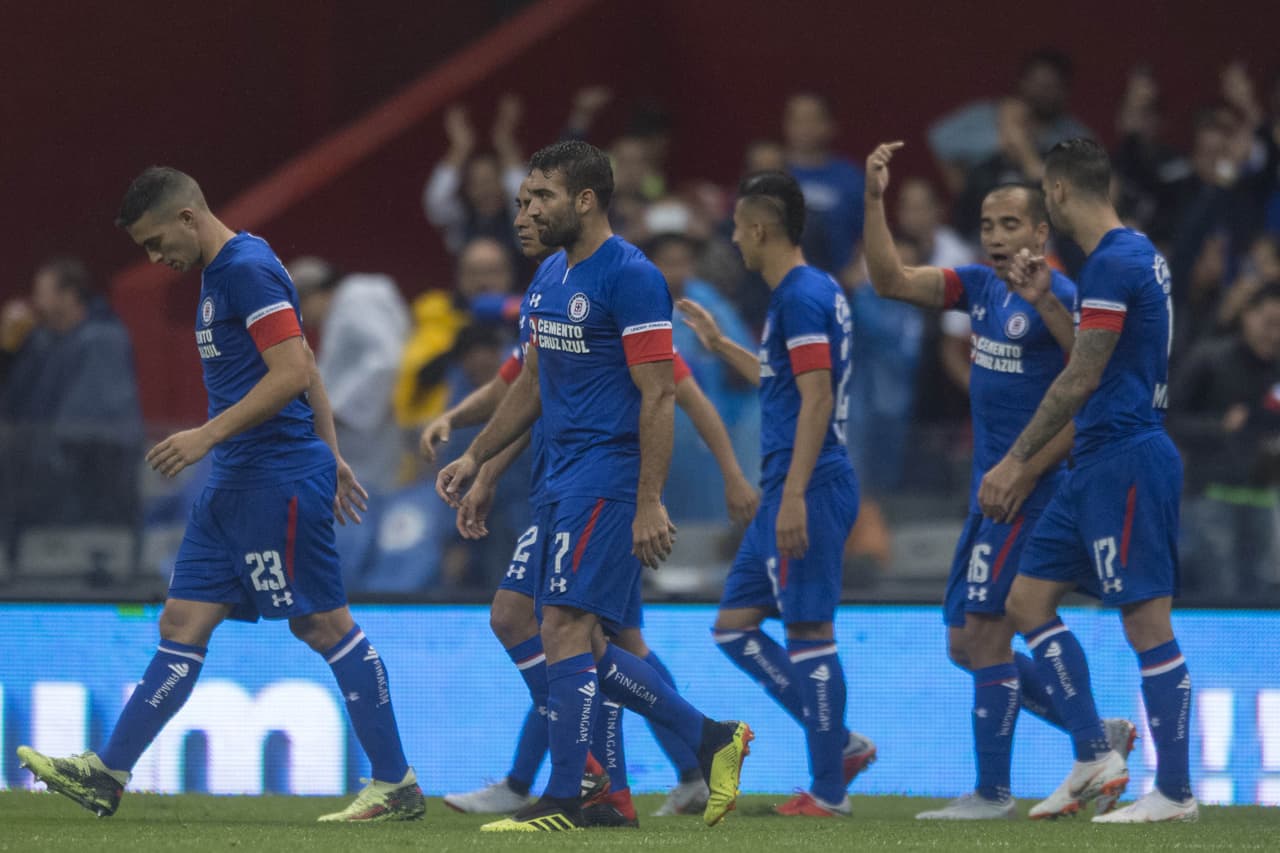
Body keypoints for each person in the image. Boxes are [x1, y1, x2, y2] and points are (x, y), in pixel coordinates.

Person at [16, 167, 422, 822]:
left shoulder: (246, 269)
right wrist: (334, 454)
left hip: (274, 477)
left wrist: (211, 436)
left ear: (187, 217)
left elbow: (292, 371)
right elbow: (307, 366)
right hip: (233, 483)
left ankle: (394, 780)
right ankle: (108, 774)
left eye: (155, 242)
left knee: (322, 623)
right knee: (181, 622)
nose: (156, 258)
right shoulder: (220, 273)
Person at [436, 141, 752, 831]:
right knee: (535, 623)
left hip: (607, 477)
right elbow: (532, 384)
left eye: (541, 197)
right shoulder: (549, 276)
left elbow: (661, 394)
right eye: (523, 198)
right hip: (555, 478)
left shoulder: (632, 277)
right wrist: (479, 458)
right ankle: (707, 739)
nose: (526, 211)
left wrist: (648, 500)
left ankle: (569, 796)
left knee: (565, 628)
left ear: (584, 200)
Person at [862, 142, 1136, 819]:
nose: (996, 235)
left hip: (1032, 492)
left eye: (1011, 223)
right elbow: (890, 280)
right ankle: (1095, 733)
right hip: (988, 494)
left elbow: (1090, 398)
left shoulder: (1061, 296)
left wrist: (1024, 468)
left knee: (988, 632)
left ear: (1041, 230)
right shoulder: (979, 287)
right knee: (964, 643)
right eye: (987, 224)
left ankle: (994, 793)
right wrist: (874, 200)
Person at [980, 139, 1198, 823]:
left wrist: (1016, 459)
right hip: (1095, 461)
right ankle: (1093, 752)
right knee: (1026, 600)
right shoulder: (1133, 255)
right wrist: (1047, 301)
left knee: (1145, 621)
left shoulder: (1111, 262)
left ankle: (1175, 792)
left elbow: (1081, 375)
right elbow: (1096, 355)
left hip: (1126, 455)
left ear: (1059, 191)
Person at [679, 171, 873, 818]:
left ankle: (829, 791)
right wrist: (719, 346)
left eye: (738, 228)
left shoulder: (800, 298)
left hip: (806, 484)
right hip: (787, 484)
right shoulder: (810, 291)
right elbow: (782, 380)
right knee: (734, 628)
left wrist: (792, 496)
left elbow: (816, 397)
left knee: (809, 631)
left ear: (760, 229)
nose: (734, 239)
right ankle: (838, 743)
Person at [0, 258, 143, 565]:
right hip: (33, 483)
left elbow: (85, 432)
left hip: (82, 491)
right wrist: (7, 353)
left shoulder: (101, 340)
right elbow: (14, 403)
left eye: (43, 293)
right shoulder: (42, 340)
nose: (35, 302)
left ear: (69, 296)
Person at [1170, 280, 1280, 597]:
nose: (1274, 334)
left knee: (1261, 595)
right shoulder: (1210, 358)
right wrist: (1218, 426)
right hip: (1210, 498)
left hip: (1263, 499)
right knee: (1217, 593)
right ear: (1248, 315)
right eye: (1269, 323)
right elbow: (1170, 419)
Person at [290, 257, 410, 493]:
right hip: (367, 436)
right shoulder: (345, 308)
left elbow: (385, 360)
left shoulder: (355, 300)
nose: (302, 317)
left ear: (314, 293)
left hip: (373, 434)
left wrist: (337, 413)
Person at [783, 93, 866, 278]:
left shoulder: (850, 176)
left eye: (812, 119)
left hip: (841, 281)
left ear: (829, 126)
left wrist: (856, 270)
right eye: (797, 120)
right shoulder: (772, 172)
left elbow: (869, 232)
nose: (805, 128)